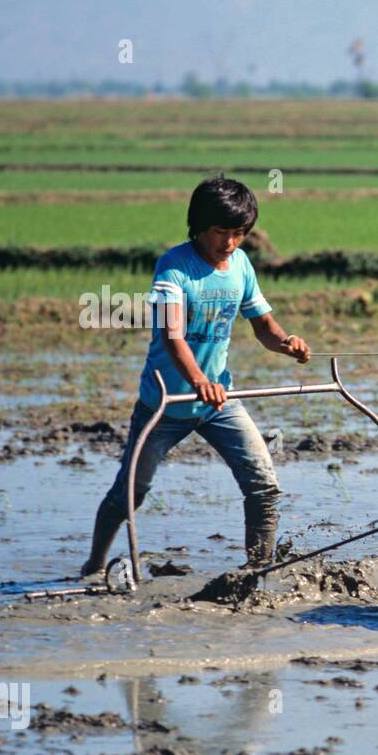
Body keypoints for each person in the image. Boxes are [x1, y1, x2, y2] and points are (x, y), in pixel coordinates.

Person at [81, 176, 310, 576]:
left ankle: (257, 571)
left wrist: (287, 342)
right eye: (221, 232)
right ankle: (94, 565)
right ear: (199, 226)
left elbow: (262, 325)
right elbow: (172, 336)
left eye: (239, 233)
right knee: (130, 493)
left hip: (219, 402)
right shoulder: (174, 266)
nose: (230, 243)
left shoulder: (240, 264)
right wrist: (198, 380)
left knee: (264, 486)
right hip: (166, 403)